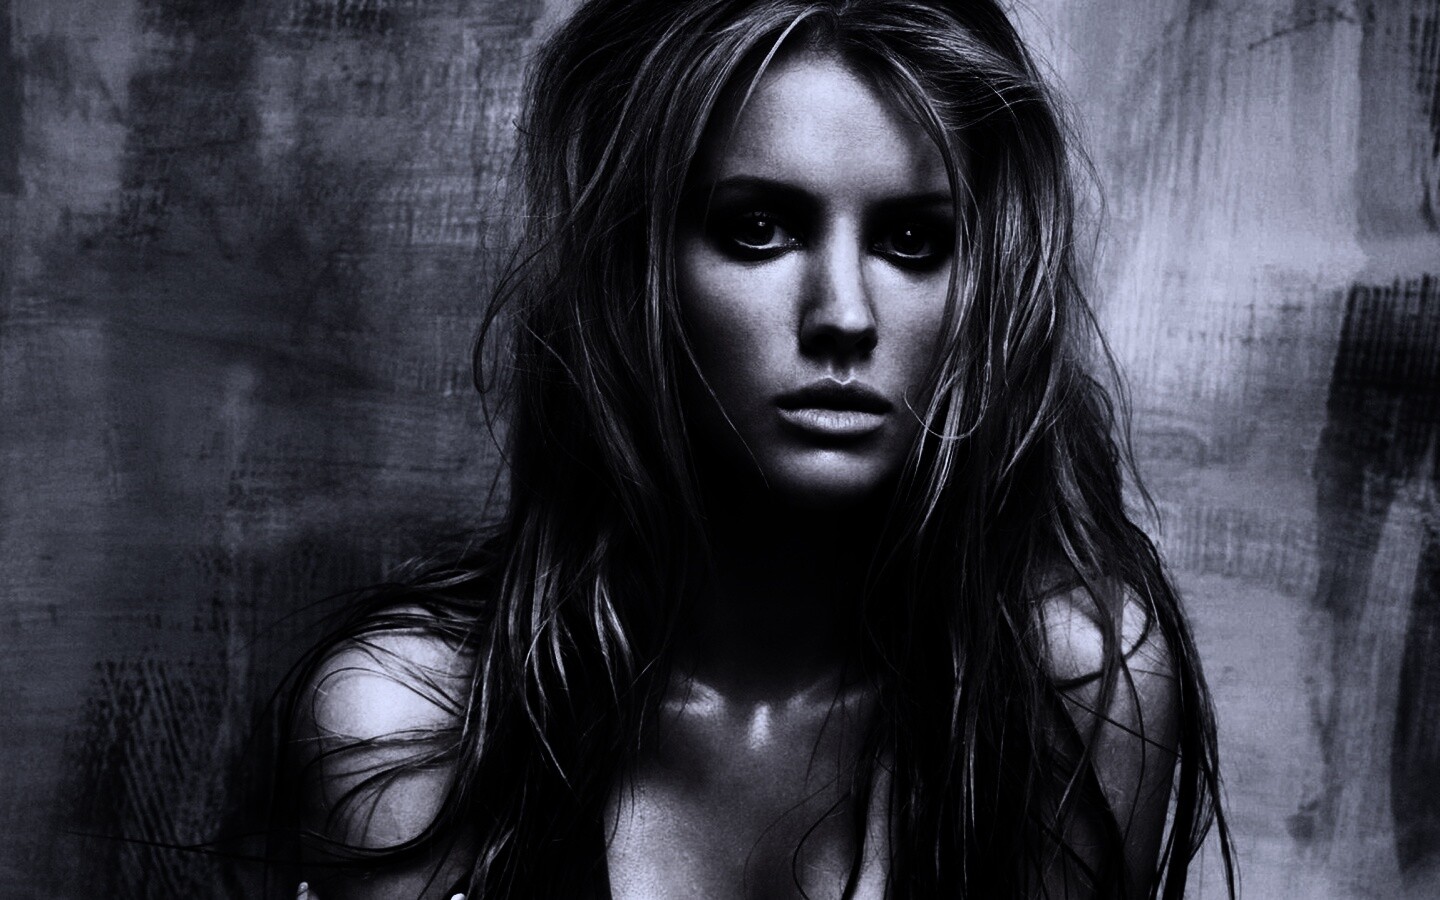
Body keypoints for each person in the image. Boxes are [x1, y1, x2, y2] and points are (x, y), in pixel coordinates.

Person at [276, 0, 1236, 897]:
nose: (844, 315)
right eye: (759, 230)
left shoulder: (1072, 700)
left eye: (911, 240)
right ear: (638, 269)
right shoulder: (409, 730)